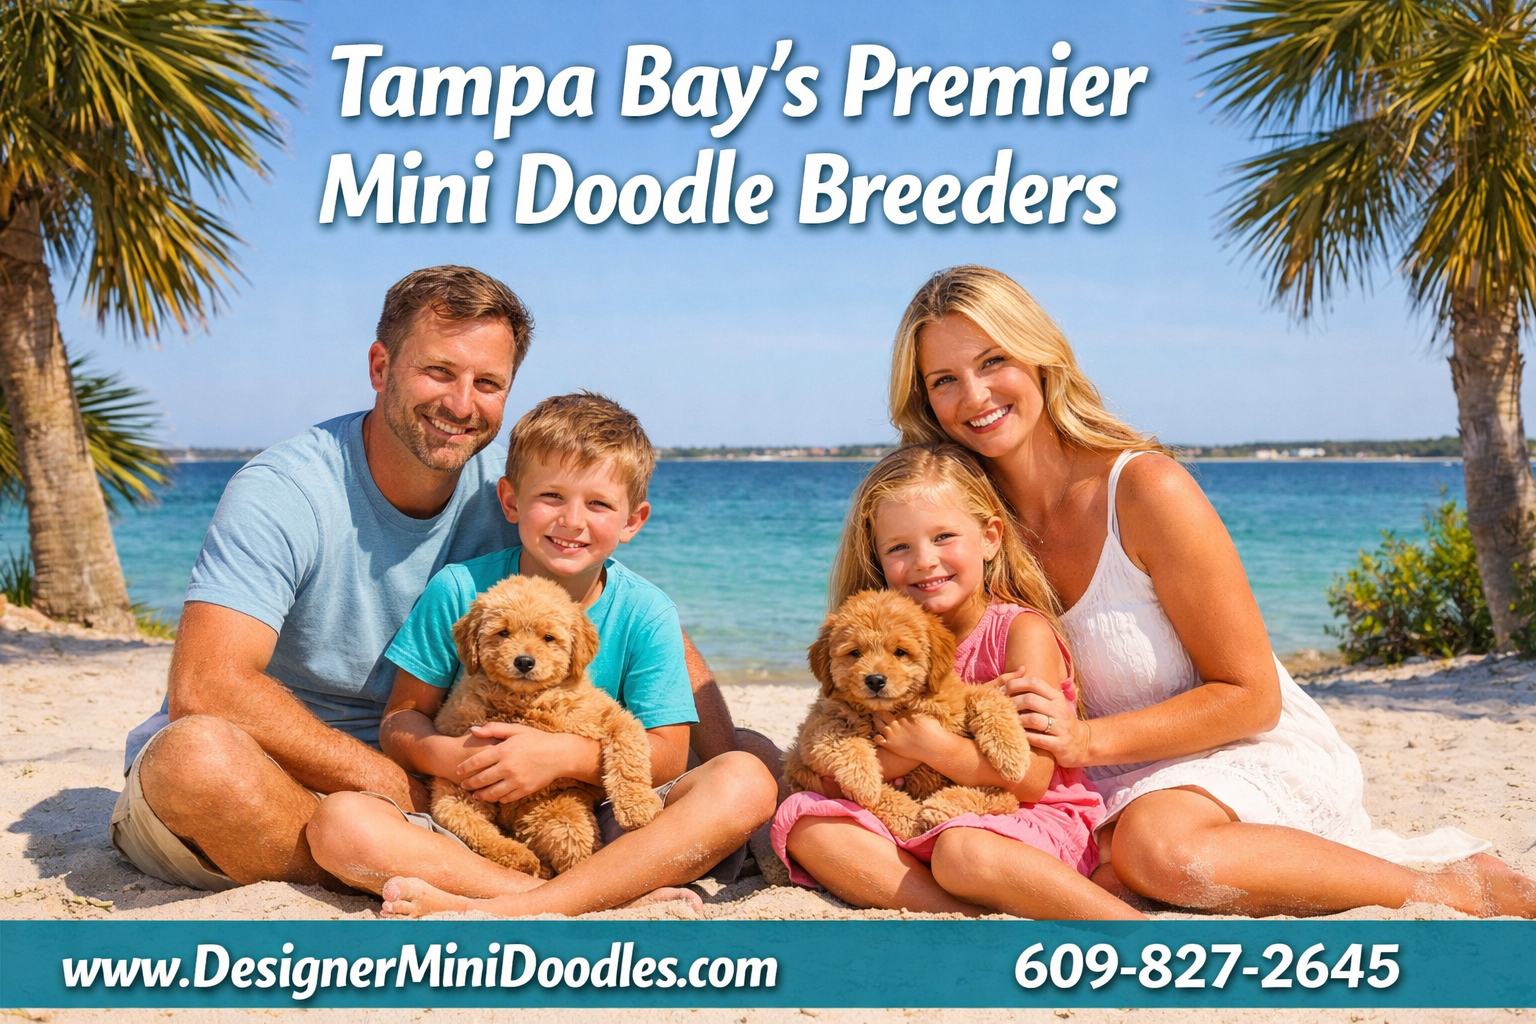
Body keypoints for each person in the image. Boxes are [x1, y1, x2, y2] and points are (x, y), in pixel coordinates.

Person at [885, 264, 1536, 918]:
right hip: (1082, 789)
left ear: (1040, 358)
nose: (974, 396)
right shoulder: (955, 531)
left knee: (1156, 851)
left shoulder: (1144, 490)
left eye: (993, 361)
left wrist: (1084, 741)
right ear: (925, 401)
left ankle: (1450, 890)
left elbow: (1253, 696)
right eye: (944, 380)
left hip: (1234, 753)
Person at [109, 266, 773, 896]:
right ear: (381, 367)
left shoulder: (521, 496)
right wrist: (391, 776)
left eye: (488, 383)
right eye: (438, 372)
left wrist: (724, 768)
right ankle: (536, 894)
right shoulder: (285, 492)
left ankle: (479, 876)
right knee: (196, 761)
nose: (461, 404)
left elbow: (627, 610)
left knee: (747, 769)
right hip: (293, 783)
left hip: (453, 794)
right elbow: (206, 687)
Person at [307, 393, 776, 917]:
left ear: (632, 520)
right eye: (551, 496)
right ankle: (556, 896)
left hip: (601, 815)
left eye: (598, 504)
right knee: (340, 825)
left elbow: (666, 754)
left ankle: (507, 902)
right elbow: (400, 722)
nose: (571, 520)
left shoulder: (646, 610)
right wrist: (455, 758)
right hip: (477, 813)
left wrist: (559, 757)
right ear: (509, 501)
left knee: (745, 778)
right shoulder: (461, 590)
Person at [769, 443, 1142, 920]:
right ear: (878, 557)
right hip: (918, 817)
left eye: (944, 536)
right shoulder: (868, 641)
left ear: (989, 538)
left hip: (1020, 819)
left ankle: (1122, 926)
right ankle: (955, 915)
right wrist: (893, 757)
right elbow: (833, 776)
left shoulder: (1019, 634)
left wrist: (931, 748)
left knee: (961, 851)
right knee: (802, 823)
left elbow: (1030, 778)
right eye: (899, 547)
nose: (925, 561)